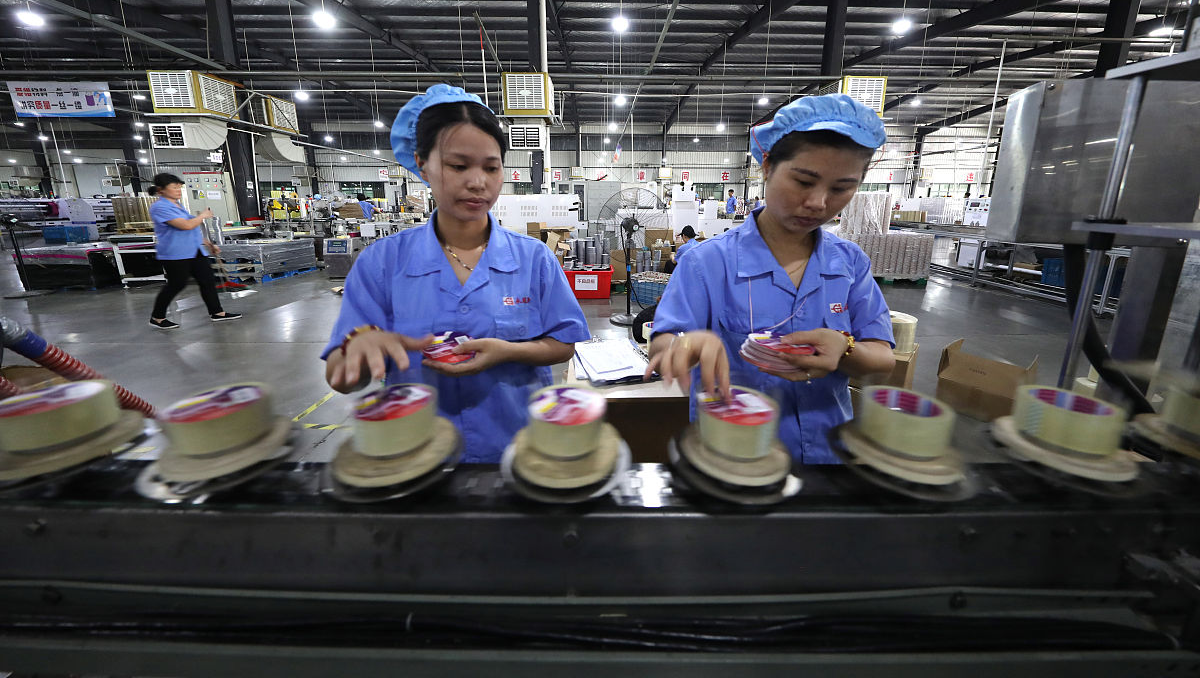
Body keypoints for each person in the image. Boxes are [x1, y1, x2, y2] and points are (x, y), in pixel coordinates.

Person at [322, 85, 591, 463]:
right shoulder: (381, 264)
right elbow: (341, 377)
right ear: (422, 164)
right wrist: (359, 351)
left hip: (519, 450)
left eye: (491, 167)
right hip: (416, 457)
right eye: (458, 165)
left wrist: (507, 352)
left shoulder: (534, 259)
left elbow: (564, 344)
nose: (478, 181)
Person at [647, 94, 896, 464]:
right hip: (734, 457)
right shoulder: (707, 263)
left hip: (829, 458)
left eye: (841, 188)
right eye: (803, 181)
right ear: (767, 166)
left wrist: (845, 350)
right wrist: (688, 344)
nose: (818, 202)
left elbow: (882, 356)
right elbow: (661, 347)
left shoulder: (850, 264)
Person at [147, 172, 241, 330]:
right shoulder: (160, 207)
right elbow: (186, 225)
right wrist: (203, 216)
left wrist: (207, 243)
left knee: (208, 280)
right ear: (161, 189)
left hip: (194, 250)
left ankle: (217, 312)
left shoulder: (178, 205)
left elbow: (189, 230)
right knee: (177, 284)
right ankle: (157, 317)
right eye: (174, 187)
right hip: (175, 253)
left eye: (179, 187)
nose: (178, 190)